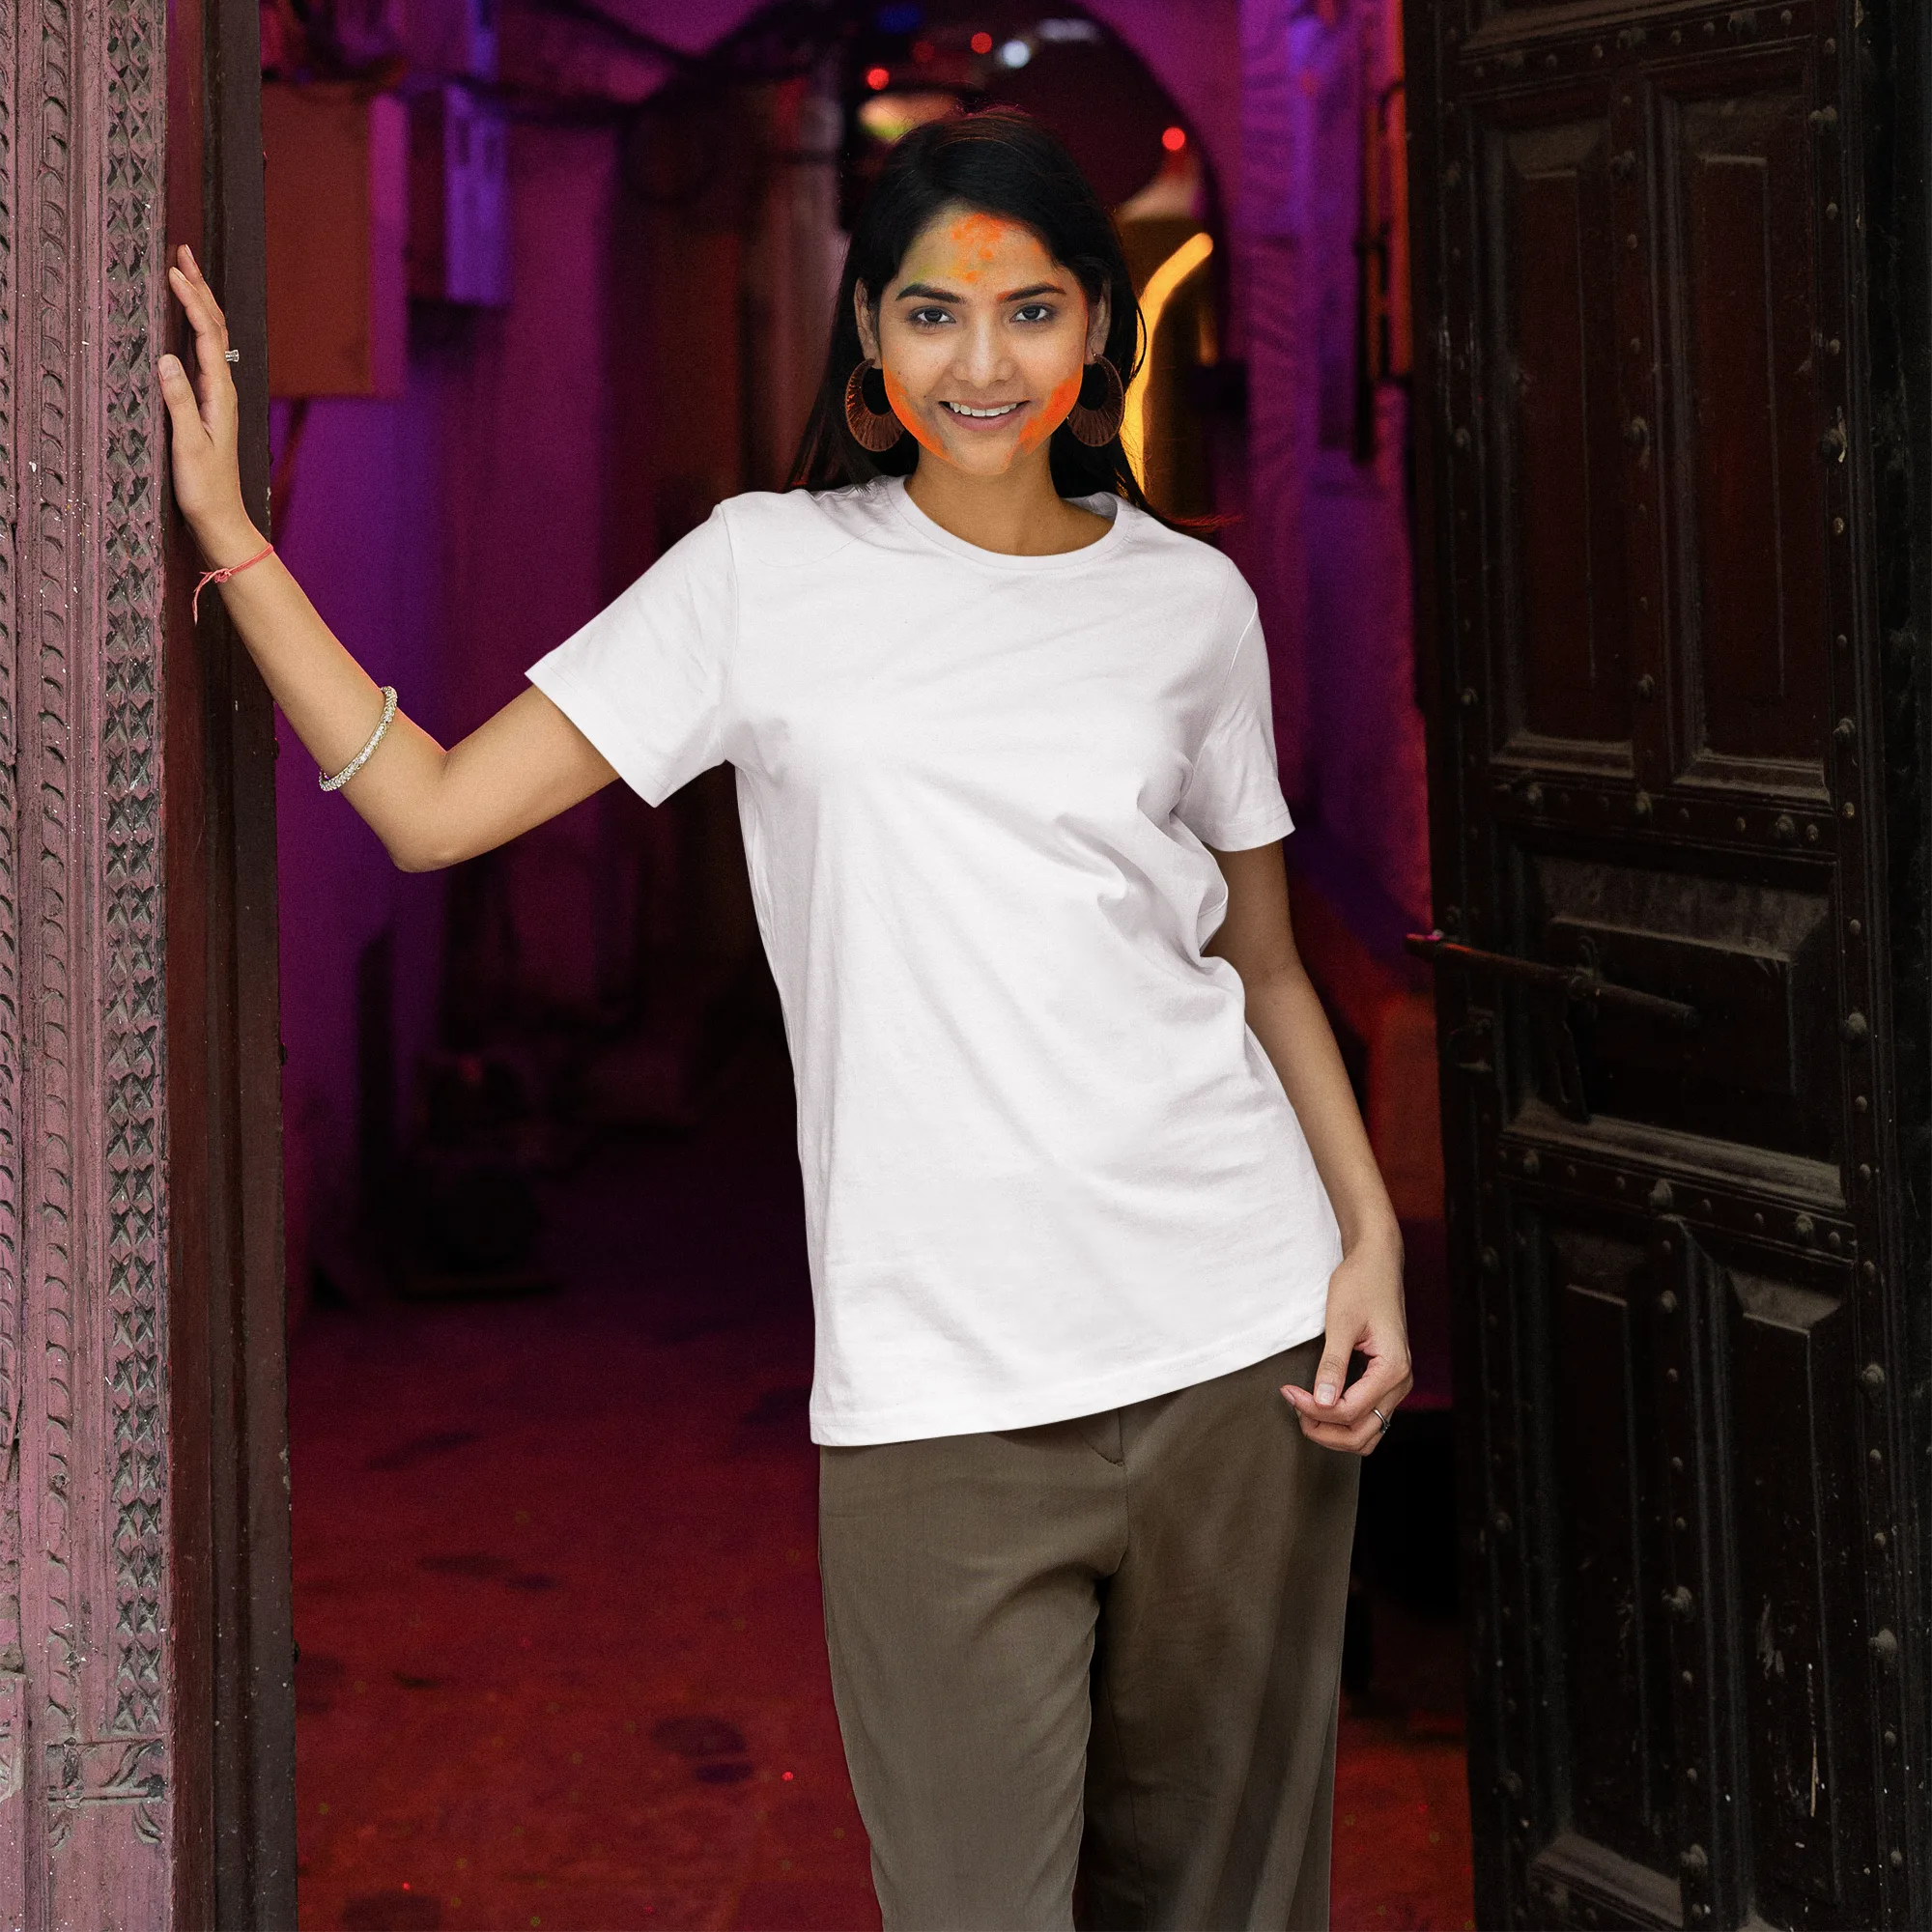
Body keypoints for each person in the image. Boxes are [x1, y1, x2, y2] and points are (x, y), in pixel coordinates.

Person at [160, 107, 1410, 1932]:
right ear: (872, 341)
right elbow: (429, 807)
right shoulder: (765, 573)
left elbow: (1267, 964)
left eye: (1033, 311)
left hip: (1237, 1342)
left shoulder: (1190, 603)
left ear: (1095, 335)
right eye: (930, 314)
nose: (982, 363)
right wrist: (232, 537)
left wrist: (1366, 1235)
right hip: (939, 1399)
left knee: (1226, 1905)